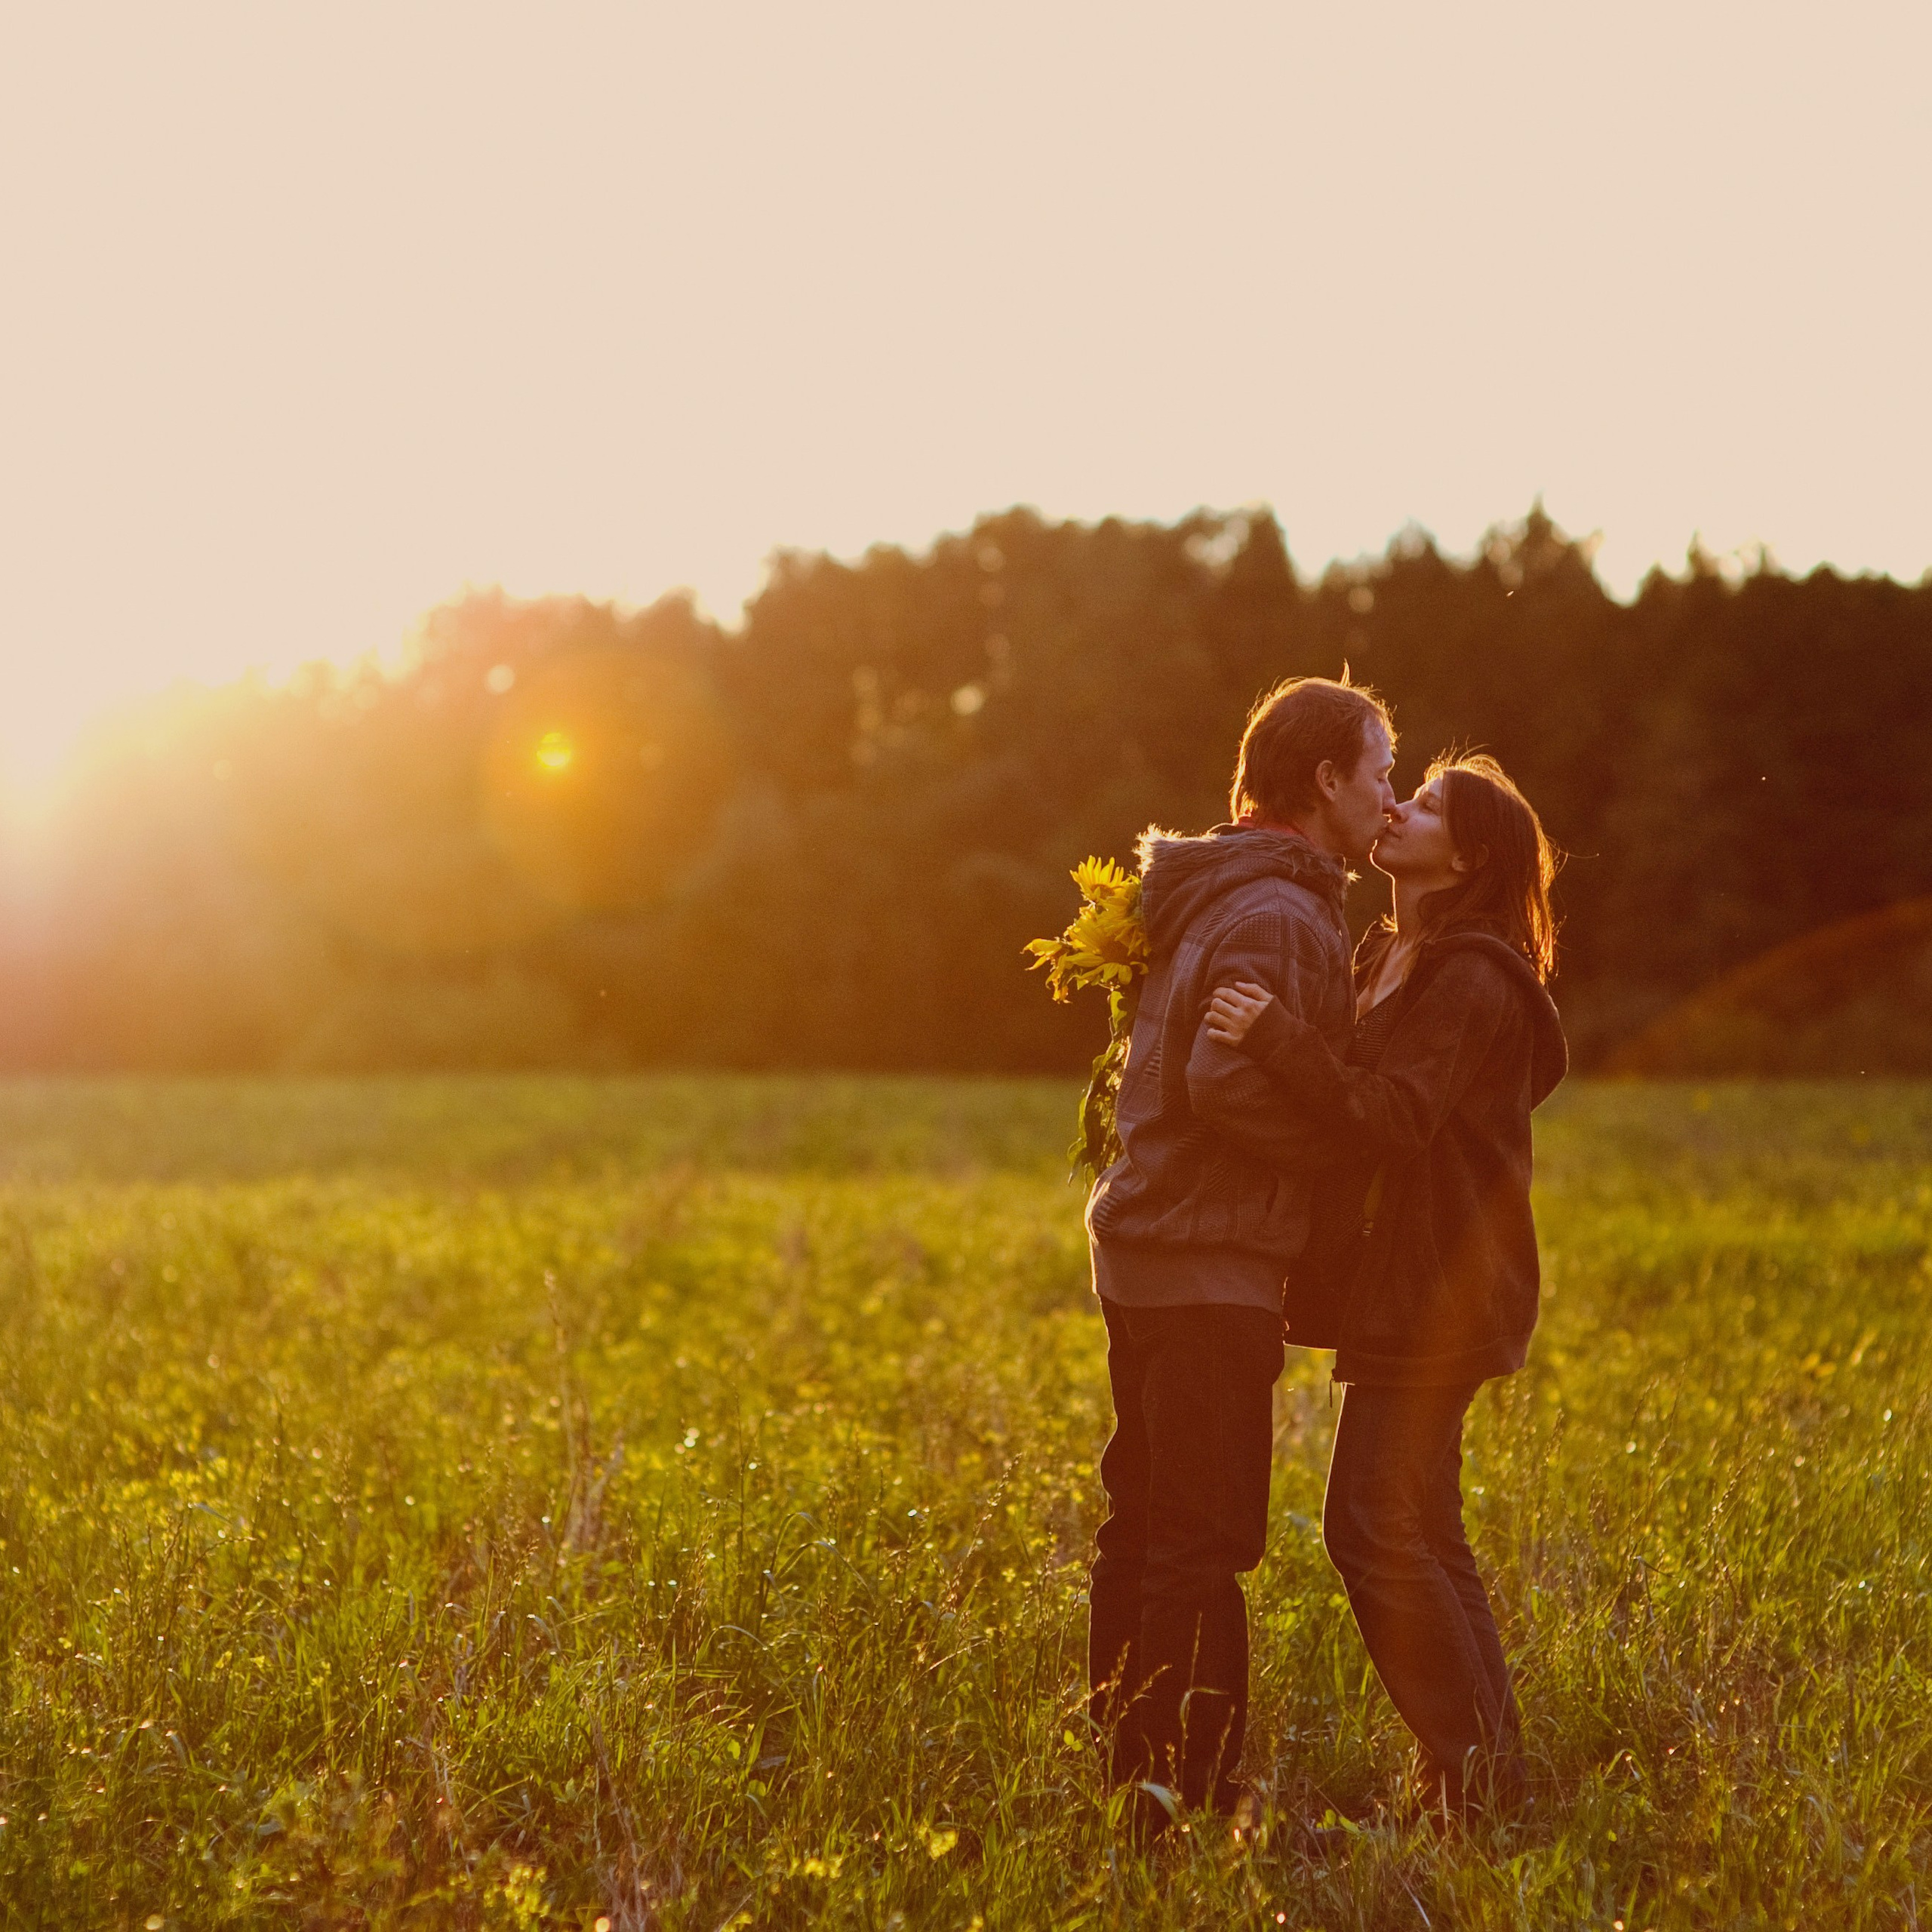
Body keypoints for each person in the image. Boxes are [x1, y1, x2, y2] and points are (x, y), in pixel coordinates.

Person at [1204, 752, 1567, 1824]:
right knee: (1423, 1523)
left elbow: (1395, 1117)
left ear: (1470, 856)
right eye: (1401, 793)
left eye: (1426, 806)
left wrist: (1270, 1034)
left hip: (1443, 1286)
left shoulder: (1472, 975)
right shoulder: (1390, 953)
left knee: (1367, 1524)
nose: (1397, 806)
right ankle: (1485, 1771)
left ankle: (1471, 1770)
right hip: (1408, 1284)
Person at [1085, 674, 1396, 1832]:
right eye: (1379, 775)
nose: (1388, 800)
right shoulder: (1279, 912)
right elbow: (1222, 1082)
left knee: (1144, 1524)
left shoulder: (1214, 892)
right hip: (1208, 1259)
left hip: (1149, 1249)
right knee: (1203, 1545)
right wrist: (1330, 1151)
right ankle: (1188, 1805)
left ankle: (1127, 1782)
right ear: (1325, 780)